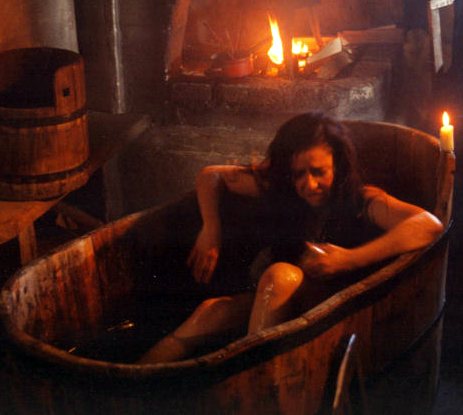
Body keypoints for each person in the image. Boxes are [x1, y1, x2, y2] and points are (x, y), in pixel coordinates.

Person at [137, 111, 443, 363]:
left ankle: (252, 387)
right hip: (278, 302)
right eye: (299, 174)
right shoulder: (281, 191)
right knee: (212, 312)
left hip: (338, 313)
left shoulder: (362, 200)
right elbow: (211, 176)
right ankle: (134, 387)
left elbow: (428, 224)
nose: (309, 184)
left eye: (319, 172)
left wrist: (349, 259)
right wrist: (211, 229)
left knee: (279, 277)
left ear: (339, 167)